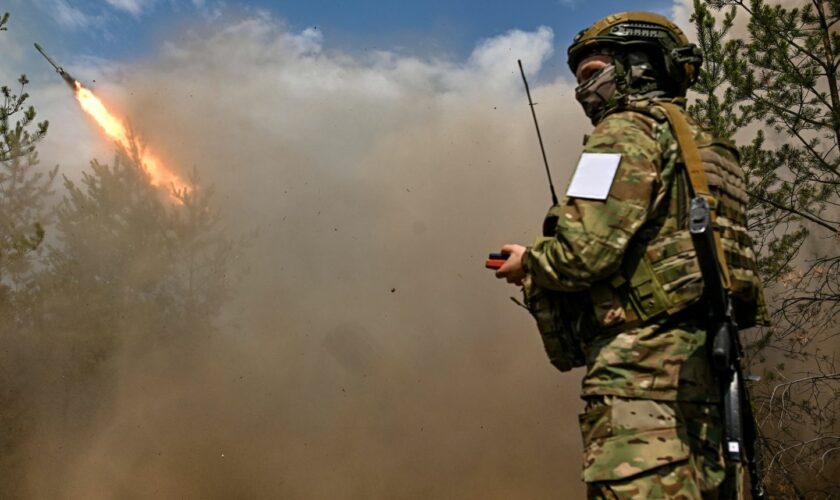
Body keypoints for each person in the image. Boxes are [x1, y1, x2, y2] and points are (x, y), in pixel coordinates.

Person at [494, 12, 769, 499]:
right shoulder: (710, 147)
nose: (584, 91)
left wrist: (530, 263)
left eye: (592, 73)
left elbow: (584, 252)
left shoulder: (623, 132)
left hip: (641, 375)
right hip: (706, 366)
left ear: (638, 66)